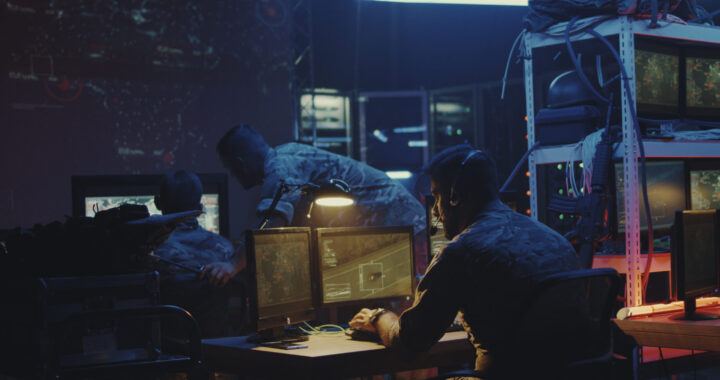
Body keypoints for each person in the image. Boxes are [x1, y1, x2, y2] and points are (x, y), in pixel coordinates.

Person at [349, 144, 581, 378]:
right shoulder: (556, 241)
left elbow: (408, 344)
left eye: (437, 195)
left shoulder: (461, 253)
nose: (436, 213)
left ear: (454, 196)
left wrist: (379, 316)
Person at [206, 124, 427, 285]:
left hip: (403, 224)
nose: (234, 176)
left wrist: (233, 264)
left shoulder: (280, 167)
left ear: (240, 163)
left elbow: (272, 221)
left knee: (409, 296)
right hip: (398, 222)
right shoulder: (288, 154)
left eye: (231, 169)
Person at [153, 170, 239, 337]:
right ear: (200, 209)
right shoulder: (228, 251)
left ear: (157, 203)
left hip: (166, 349)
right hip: (217, 347)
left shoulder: (150, 253)